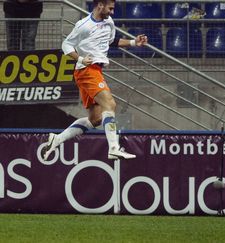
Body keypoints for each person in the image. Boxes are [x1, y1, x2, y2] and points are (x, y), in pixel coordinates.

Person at [41, 0, 148, 160]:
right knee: (110, 104)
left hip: (94, 71)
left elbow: (113, 41)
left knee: (96, 119)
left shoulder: (109, 22)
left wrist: (134, 42)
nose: (112, 12)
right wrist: (81, 58)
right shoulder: (83, 25)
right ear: (100, 5)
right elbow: (66, 45)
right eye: (110, 8)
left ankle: (57, 139)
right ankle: (114, 147)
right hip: (87, 70)